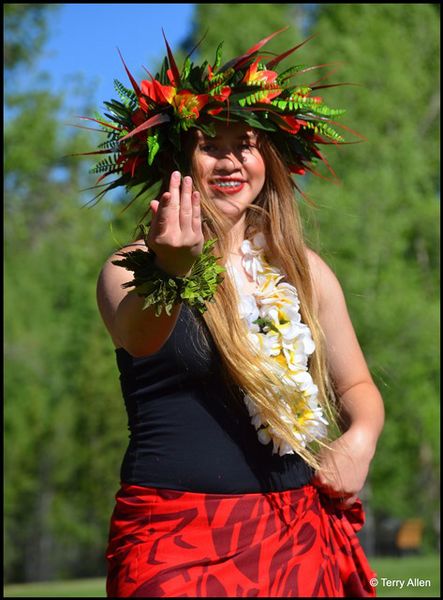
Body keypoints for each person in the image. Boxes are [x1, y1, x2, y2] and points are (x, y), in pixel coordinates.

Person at [89, 28, 385, 597]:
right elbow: (140, 337)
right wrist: (173, 273)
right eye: (208, 144)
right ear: (176, 160)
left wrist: (361, 438)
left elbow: (357, 385)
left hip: (296, 531)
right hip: (173, 540)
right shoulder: (130, 267)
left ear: (267, 159)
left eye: (244, 143)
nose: (229, 160)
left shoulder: (303, 269)